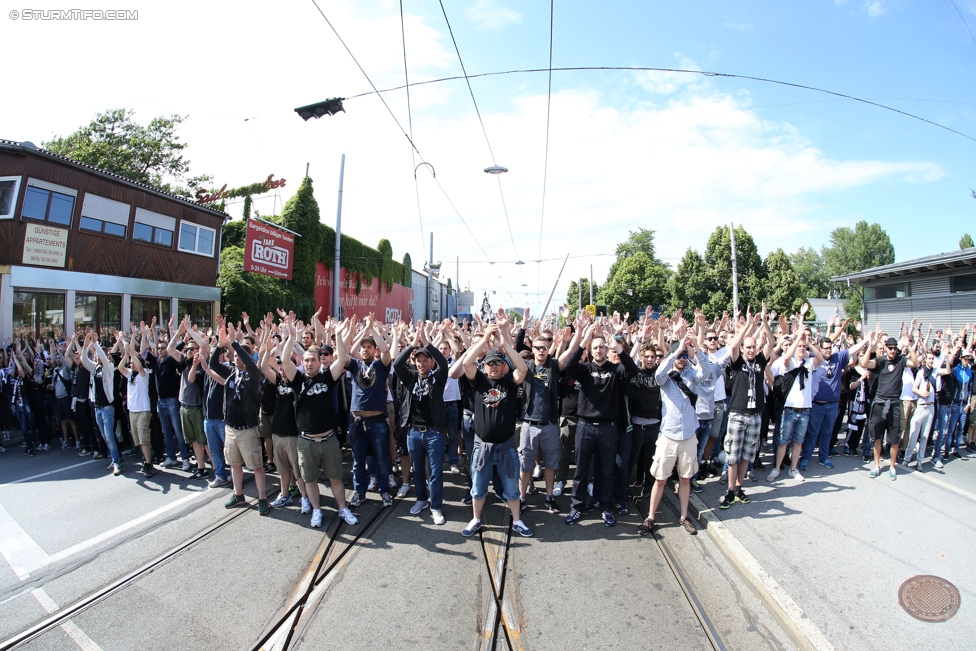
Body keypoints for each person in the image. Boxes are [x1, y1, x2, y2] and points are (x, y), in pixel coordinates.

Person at [452, 322, 533, 537]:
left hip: (506, 447)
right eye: (490, 363)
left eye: (498, 363)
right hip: (482, 446)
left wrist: (505, 343)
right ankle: (476, 519)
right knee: (478, 488)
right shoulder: (478, 381)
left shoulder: (509, 382)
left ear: (504, 366)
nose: (494, 366)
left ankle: (517, 521)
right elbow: (468, 363)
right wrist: (483, 339)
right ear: (485, 366)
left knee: (512, 489)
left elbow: (523, 368)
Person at [281, 319, 358, 528]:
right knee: (310, 480)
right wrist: (290, 336)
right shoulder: (297, 380)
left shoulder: (327, 377)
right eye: (306, 360)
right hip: (306, 442)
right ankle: (317, 510)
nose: (309, 363)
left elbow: (342, 359)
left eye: (313, 360)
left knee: (335, 478)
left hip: (329, 439)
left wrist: (340, 336)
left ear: (319, 361)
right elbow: (284, 360)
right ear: (302, 361)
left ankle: (342, 509)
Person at [563, 316, 638, 527]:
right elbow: (569, 365)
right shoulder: (585, 369)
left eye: (602, 347)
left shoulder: (616, 370)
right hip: (585, 427)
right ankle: (576, 507)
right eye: (595, 348)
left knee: (607, 470)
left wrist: (620, 349)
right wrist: (583, 339)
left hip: (608, 428)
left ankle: (605, 507)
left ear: (607, 350)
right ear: (590, 350)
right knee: (581, 470)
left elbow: (633, 372)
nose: (599, 351)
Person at [639, 333, 710, 536]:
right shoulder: (666, 376)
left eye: (684, 357)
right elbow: (658, 373)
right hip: (669, 435)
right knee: (660, 479)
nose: (681, 360)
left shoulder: (692, 374)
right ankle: (651, 517)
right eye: (679, 356)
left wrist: (695, 349)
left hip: (688, 435)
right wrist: (676, 351)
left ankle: (684, 516)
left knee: (685, 478)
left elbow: (706, 373)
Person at [393, 320, 451, 525]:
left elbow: (444, 363)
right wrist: (412, 344)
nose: (421, 363)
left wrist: (427, 344)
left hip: (434, 432)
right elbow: (396, 363)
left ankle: (436, 507)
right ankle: (421, 499)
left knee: (435, 472)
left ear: (431, 362)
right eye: (418, 360)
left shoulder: (438, 377)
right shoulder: (409, 379)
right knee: (417, 469)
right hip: (414, 432)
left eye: (425, 360)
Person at [214, 322, 271, 516]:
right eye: (235, 356)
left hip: (248, 428)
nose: (236, 358)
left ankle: (262, 498)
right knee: (234, 464)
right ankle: (238, 494)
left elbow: (249, 363)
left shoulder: (253, 374)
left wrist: (235, 344)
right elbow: (213, 364)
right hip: (231, 428)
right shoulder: (232, 374)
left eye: (240, 356)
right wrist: (220, 345)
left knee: (256, 466)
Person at [722, 306, 773, 509]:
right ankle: (729, 491)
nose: (751, 350)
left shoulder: (760, 360)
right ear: (744, 349)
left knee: (747, 455)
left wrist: (764, 322)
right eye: (748, 347)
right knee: (733, 456)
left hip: (755, 415)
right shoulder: (737, 361)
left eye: (753, 347)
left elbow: (771, 342)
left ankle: (739, 487)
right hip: (737, 413)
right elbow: (733, 346)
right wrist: (748, 326)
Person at [346, 313, 395, 509]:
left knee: (382, 459)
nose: (365, 349)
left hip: (377, 422)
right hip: (357, 422)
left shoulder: (381, 366)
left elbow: (387, 351)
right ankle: (360, 492)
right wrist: (355, 332)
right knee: (358, 462)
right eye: (363, 347)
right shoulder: (355, 365)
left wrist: (372, 328)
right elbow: (346, 352)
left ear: (374, 350)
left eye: (369, 347)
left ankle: (384, 491)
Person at [859, 331, 919, 479]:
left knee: (893, 439)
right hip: (879, 403)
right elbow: (865, 363)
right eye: (890, 348)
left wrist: (909, 346)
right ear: (885, 348)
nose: (892, 351)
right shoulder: (880, 361)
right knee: (877, 437)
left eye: (894, 348)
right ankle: (877, 465)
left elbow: (915, 363)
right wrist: (871, 346)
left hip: (894, 404)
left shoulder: (901, 360)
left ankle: (892, 466)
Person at [767, 327, 822, 482]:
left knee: (798, 442)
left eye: (803, 347)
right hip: (789, 408)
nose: (801, 348)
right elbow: (786, 357)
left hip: (804, 409)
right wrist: (797, 339)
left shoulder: (809, 362)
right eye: (799, 347)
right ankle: (776, 469)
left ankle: (793, 469)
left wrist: (809, 343)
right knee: (783, 441)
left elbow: (820, 358)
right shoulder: (790, 363)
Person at [82, 333, 122, 476]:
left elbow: (104, 359)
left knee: (109, 435)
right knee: (105, 436)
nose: (97, 357)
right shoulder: (96, 368)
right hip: (97, 407)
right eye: (96, 356)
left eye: (99, 355)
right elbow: (84, 360)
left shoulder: (109, 368)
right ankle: (115, 457)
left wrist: (95, 344)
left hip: (107, 408)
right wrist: (86, 347)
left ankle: (117, 462)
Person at [118, 328, 154, 477]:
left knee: (144, 439)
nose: (131, 364)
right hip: (132, 411)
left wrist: (132, 353)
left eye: (133, 362)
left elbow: (139, 366)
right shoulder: (130, 375)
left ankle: (148, 463)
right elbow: (120, 368)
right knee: (138, 439)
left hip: (143, 410)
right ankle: (145, 459)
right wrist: (126, 354)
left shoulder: (143, 375)